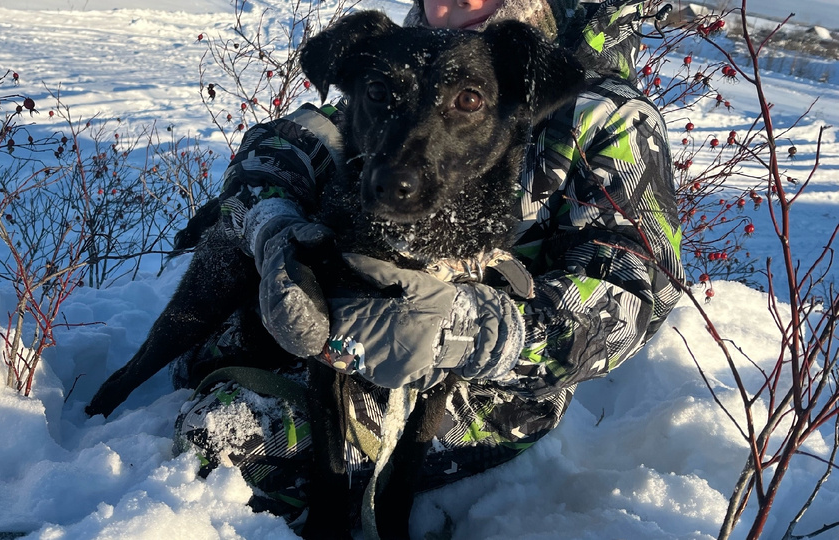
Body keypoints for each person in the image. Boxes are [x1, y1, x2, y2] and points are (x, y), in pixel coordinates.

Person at [171, 0, 685, 533]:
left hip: (490, 382)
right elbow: (290, 142)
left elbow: (634, 292)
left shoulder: (604, 112)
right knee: (205, 351)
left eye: (468, 100)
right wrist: (274, 227)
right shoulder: (398, 63)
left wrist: (468, 329)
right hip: (350, 325)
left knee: (228, 438)